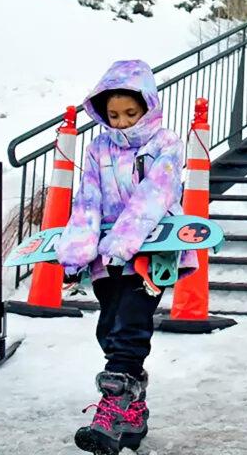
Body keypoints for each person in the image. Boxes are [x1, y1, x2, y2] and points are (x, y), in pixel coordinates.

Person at [55, 59, 187, 455]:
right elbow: (88, 199)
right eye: (113, 115)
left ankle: (111, 414)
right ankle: (134, 414)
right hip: (106, 258)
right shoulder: (98, 148)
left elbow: (155, 196)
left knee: (130, 324)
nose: (123, 122)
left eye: (131, 113)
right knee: (110, 328)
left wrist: (123, 242)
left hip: (151, 252)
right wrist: (78, 250)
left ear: (148, 106)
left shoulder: (165, 144)